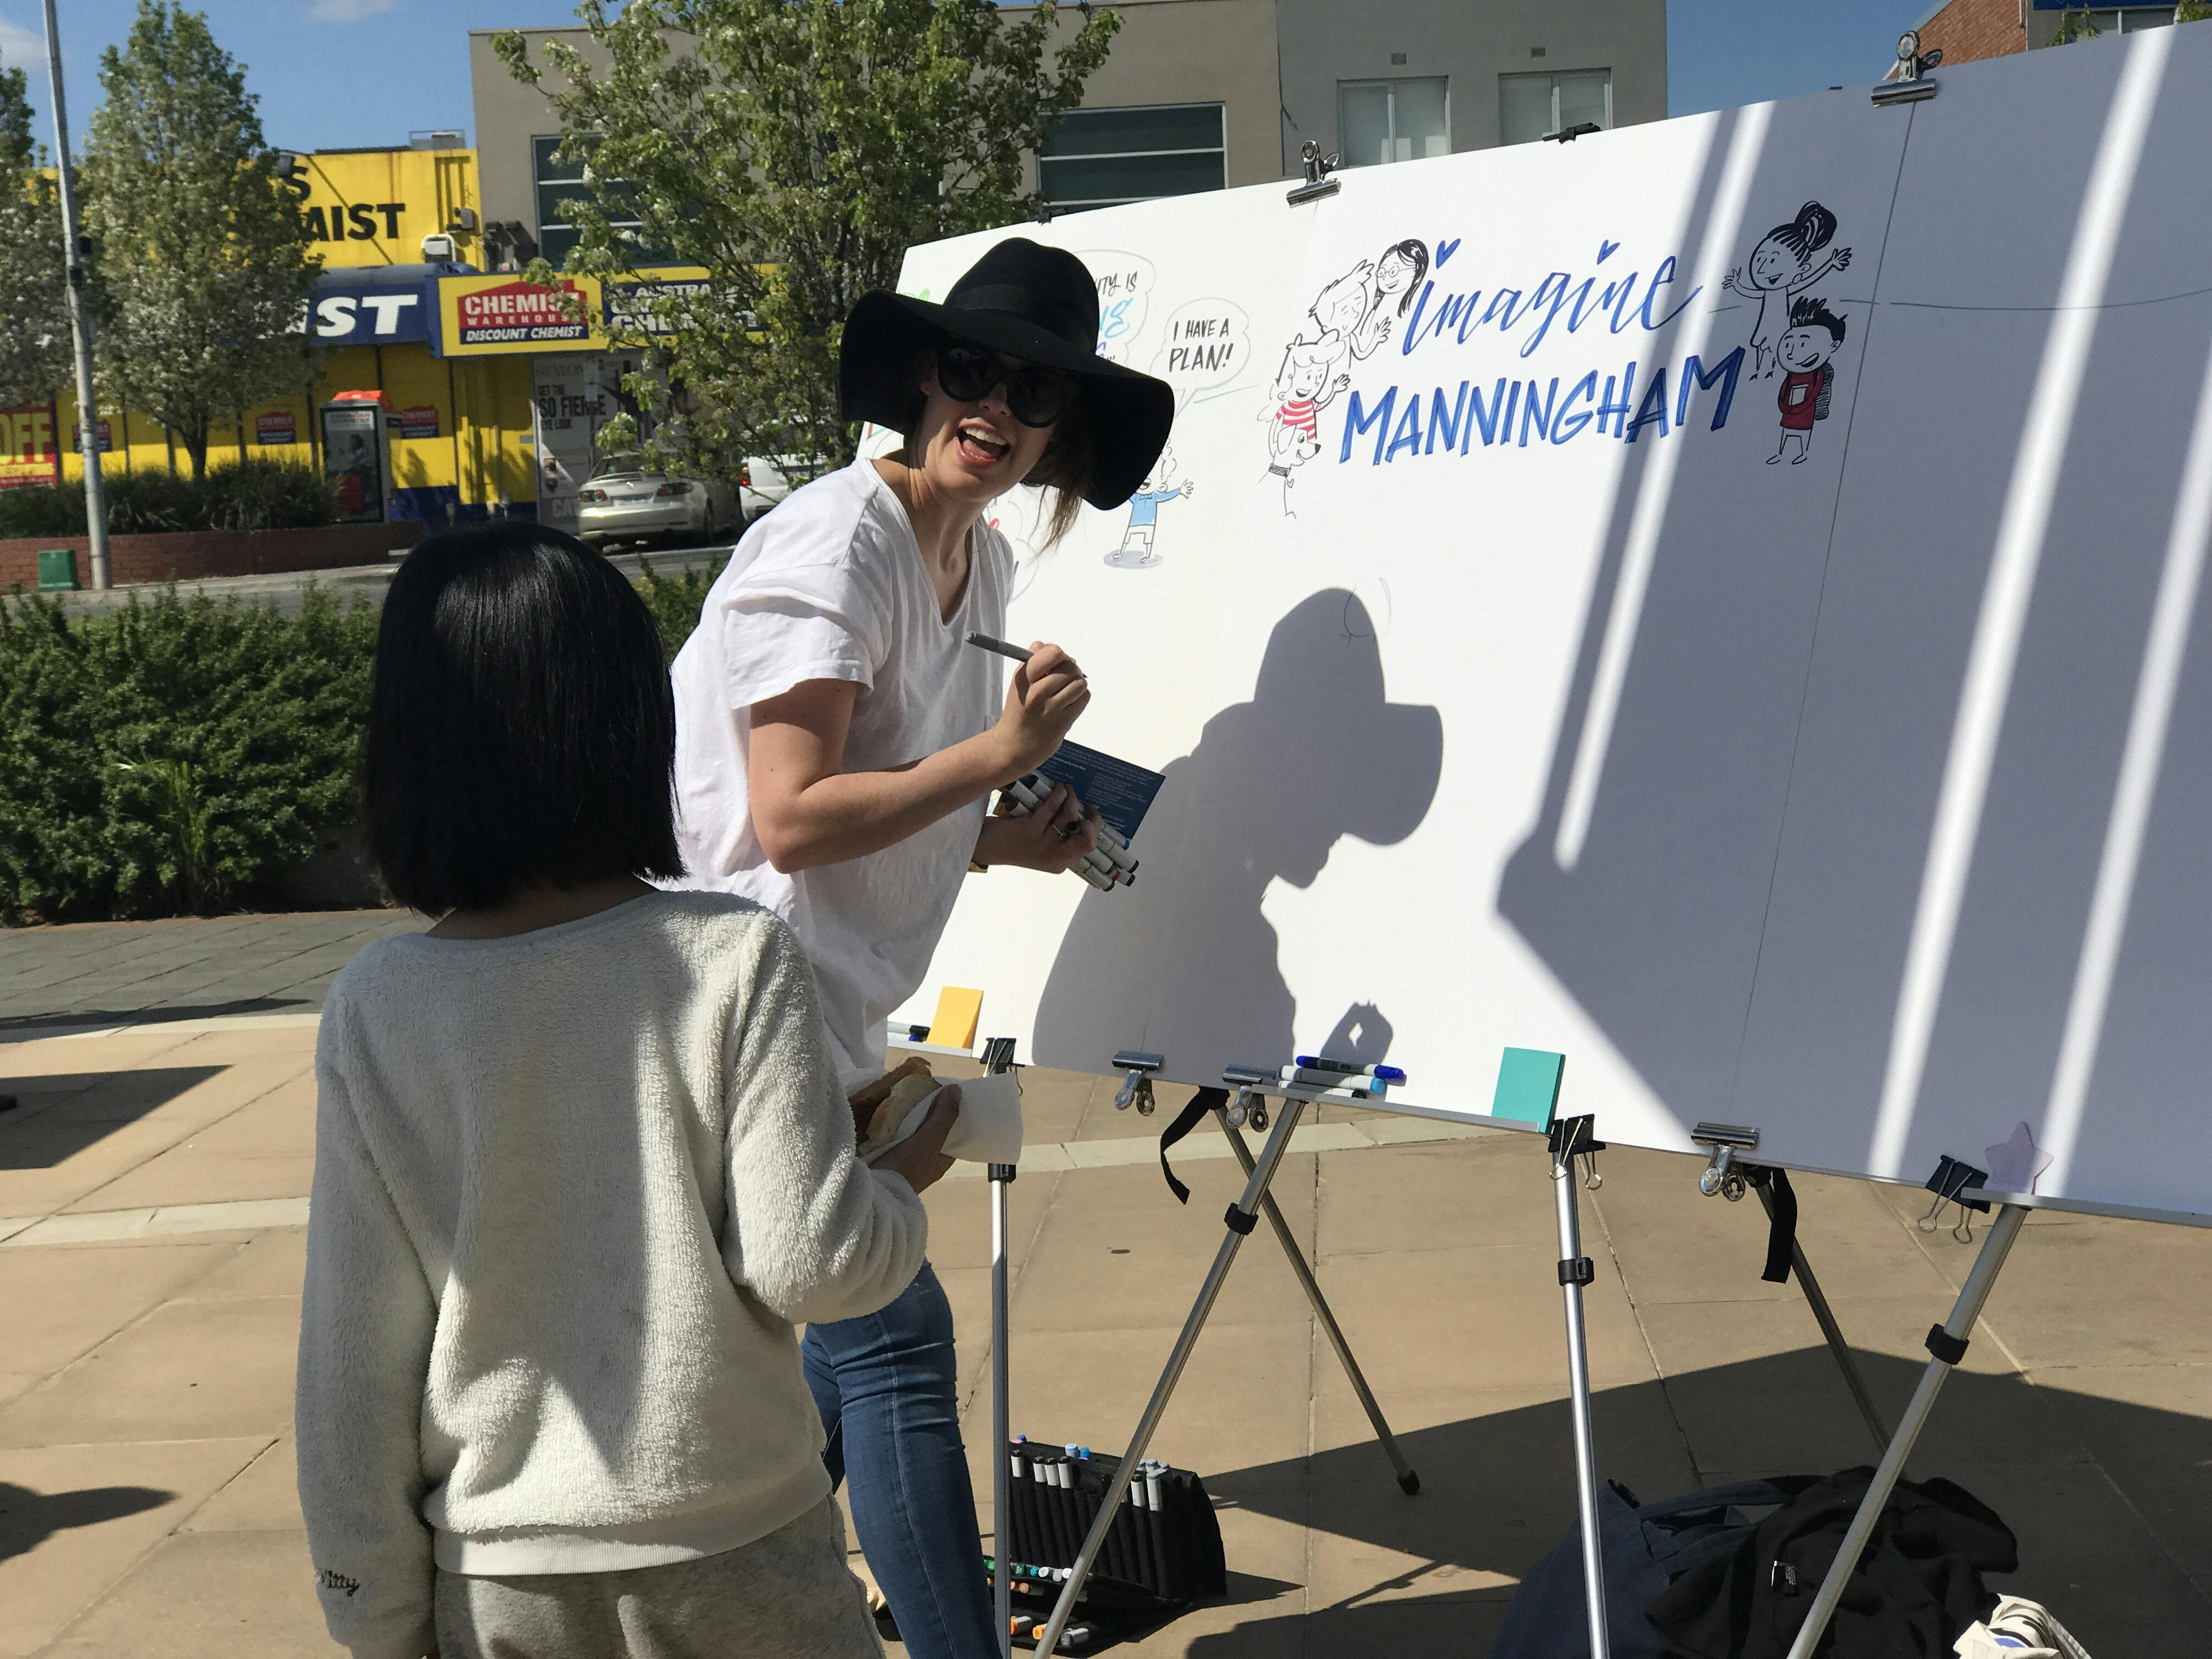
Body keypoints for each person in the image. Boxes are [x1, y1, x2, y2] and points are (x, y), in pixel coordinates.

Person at [296, 521, 956, 1659]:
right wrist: (897, 1184)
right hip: (739, 1541)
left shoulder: (379, 1003)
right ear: (628, 723)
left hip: (503, 1571)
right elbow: (816, 1265)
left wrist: (376, 1612)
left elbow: (352, 1365)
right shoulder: (731, 953)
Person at [669, 237, 1175, 1659]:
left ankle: (729, 1609)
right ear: (921, 382)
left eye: (1038, 392)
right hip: (723, 1002)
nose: (998, 406)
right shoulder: (836, 542)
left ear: (1063, 437)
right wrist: (1000, 756)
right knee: (887, 1330)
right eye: (974, 369)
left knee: (819, 1361)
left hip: (813, 1012)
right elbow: (785, 819)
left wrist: (1021, 829)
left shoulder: (986, 562)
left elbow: (896, 806)